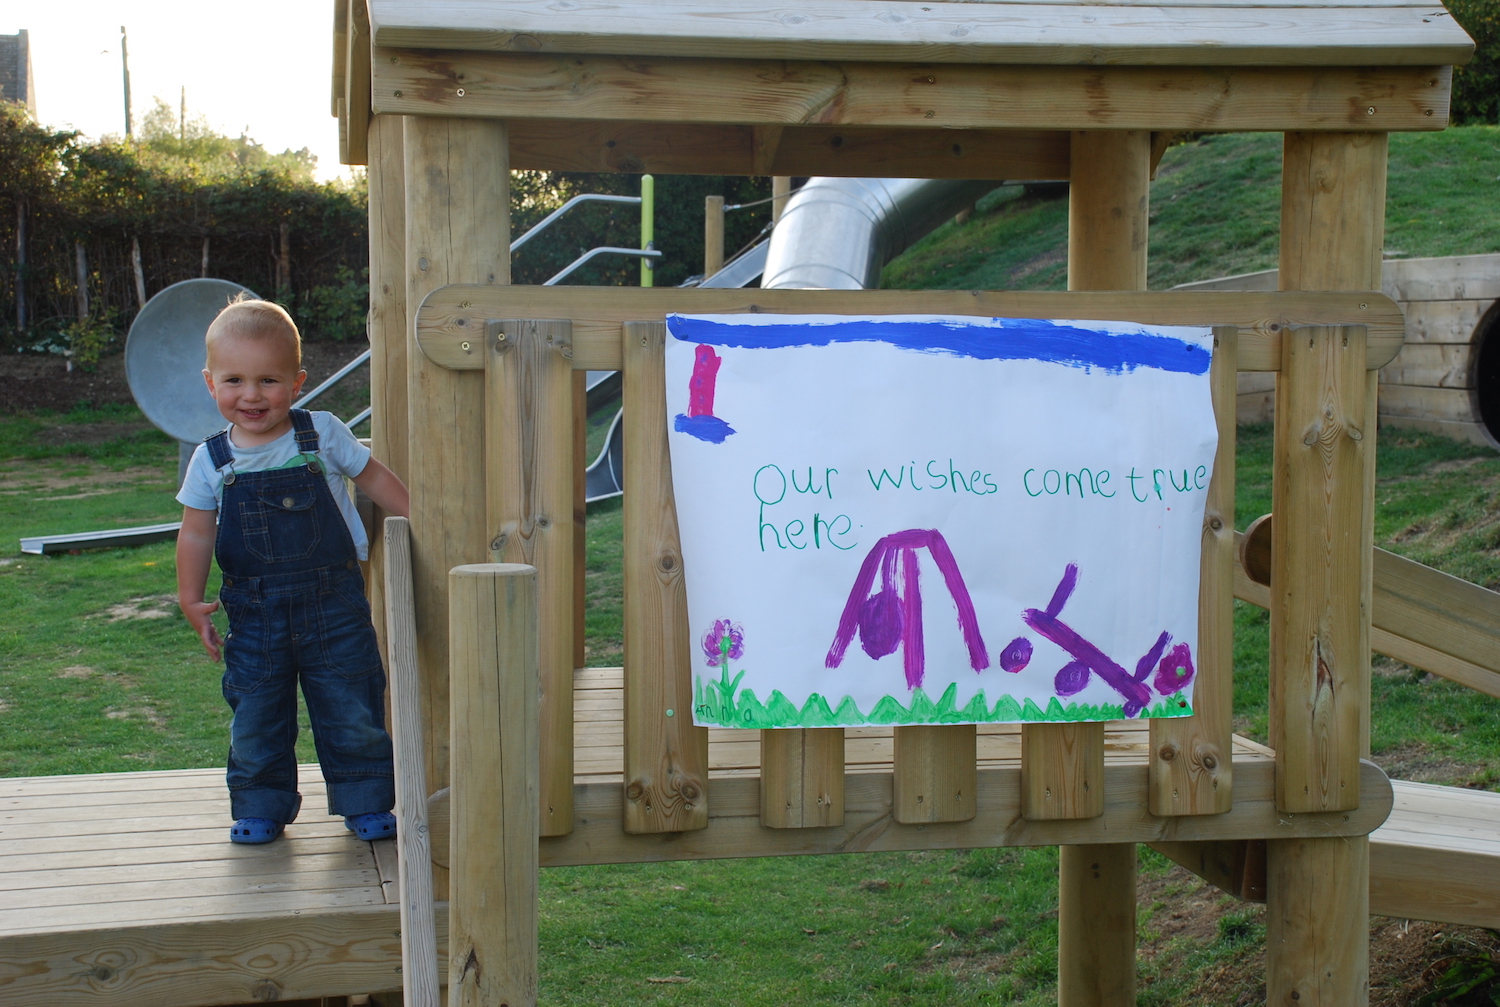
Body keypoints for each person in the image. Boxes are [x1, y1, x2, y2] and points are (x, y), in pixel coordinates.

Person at [175, 297, 409, 845]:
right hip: (254, 613)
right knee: (257, 712)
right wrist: (190, 598)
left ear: (298, 381)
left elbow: (375, 479)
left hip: (335, 603)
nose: (252, 395)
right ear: (211, 383)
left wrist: (422, 519)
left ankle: (366, 800)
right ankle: (260, 804)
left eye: (269, 380)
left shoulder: (322, 434)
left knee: (350, 701)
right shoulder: (211, 461)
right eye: (235, 380)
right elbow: (195, 531)